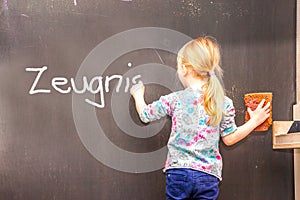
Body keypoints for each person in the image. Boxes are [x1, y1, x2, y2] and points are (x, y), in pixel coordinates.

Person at [130, 36, 270, 200]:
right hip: (208, 175)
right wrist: (254, 121)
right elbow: (230, 138)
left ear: (184, 68)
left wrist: (138, 95)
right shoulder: (222, 102)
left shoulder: (174, 99)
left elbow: (145, 115)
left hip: (178, 172)